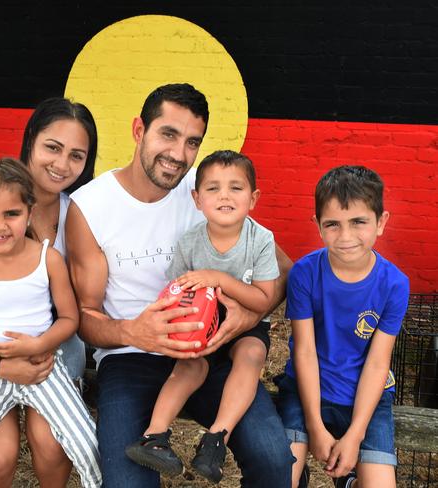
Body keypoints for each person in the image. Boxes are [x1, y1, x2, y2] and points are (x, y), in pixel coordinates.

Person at [66, 83, 294, 488]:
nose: (178, 154)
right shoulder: (91, 206)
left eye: (192, 142)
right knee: (125, 483)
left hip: (212, 348)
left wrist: (247, 315)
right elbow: (85, 315)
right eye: (168, 134)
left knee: (274, 460)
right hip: (132, 356)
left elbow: (283, 272)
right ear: (139, 130)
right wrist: (131, 330)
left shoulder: (207, 194)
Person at [0, 97, 97, 485]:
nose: (62, 165)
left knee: (51, 441)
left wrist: (39, 346)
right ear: (30, 141)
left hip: (50, 345)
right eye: (53, 148)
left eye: (77, 156)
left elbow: (71, 309)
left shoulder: (79, 208)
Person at [125, 150, 280, 483]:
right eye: (213, 188)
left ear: (253, 198)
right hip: (202, 327)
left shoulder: (261, 240)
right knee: (188, 363)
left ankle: (216, 440)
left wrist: (219, 278)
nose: (224, 195)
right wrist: (179, 325)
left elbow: (265, 298)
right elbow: (176, 292)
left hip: (243, 328)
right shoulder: (190, 242)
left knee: (252, 354)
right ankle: (154, 437)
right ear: (197, 199)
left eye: (235, 188)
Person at [276, 165, 409, 488]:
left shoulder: (394, 284)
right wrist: (315, 426)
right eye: (332, 224)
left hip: (368, 399)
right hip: (307, 390)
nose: (346, 237)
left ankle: (350, 481)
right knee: (279, 478)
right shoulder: (305, 274)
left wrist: (355, 434)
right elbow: (305, 352)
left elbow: (378, 363)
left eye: (359, 222)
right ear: (318, 226)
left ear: (381, 222)